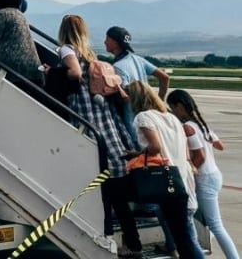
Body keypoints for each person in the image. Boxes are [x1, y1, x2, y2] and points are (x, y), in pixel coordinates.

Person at [55, 15, 141, 255]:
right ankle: (133, 243)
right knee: (118, 194)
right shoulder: (91, 54)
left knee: (99, 191)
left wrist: (57, 74)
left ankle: (107, 238)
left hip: (86, 117)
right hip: (107, 123)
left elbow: (73, 73)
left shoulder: (66, 49)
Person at [127, 81, 204, 259]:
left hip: (165, 182)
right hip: (181, 180)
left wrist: (138, 154)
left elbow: (154, 147)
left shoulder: (143, 117)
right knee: (184, 239)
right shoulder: (171, 117)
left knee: (186, 242)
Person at [167, 89, 238, 259]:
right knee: (205, 218)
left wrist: (189, 169)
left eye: (172, 107)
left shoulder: (188, 128)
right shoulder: (200, 124)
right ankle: (197, 246)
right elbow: (220, 145)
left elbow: (200, 156)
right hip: (215, 175)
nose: (172, 112)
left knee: (215, 224)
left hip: (205, 178)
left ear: (178, 106)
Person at [106, 26, 170, 137]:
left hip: (133, 123)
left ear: (115, 43)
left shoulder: (118, 67)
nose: (104, 42)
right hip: (149, 116)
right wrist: (160, 100)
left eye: (107, 38)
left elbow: (125, 97)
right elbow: (164, 77)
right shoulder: (138, 59)